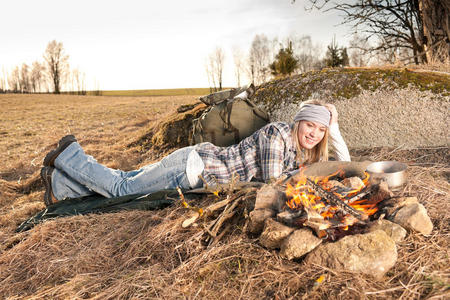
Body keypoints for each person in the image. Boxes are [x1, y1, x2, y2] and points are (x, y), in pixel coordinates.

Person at [40, 100, 351, 206]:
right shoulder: (278, 134)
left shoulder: (300, 150)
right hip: (193, 168)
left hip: (195, 164)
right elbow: (272, 184)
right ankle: (70, 157)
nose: (314, 133)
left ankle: (60, 187)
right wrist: (302, 175)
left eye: (320, 130)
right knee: (124, 189)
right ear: (298, 123)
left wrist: (334, 128)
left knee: (124, 179)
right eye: (310, 125)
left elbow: (343, 166)